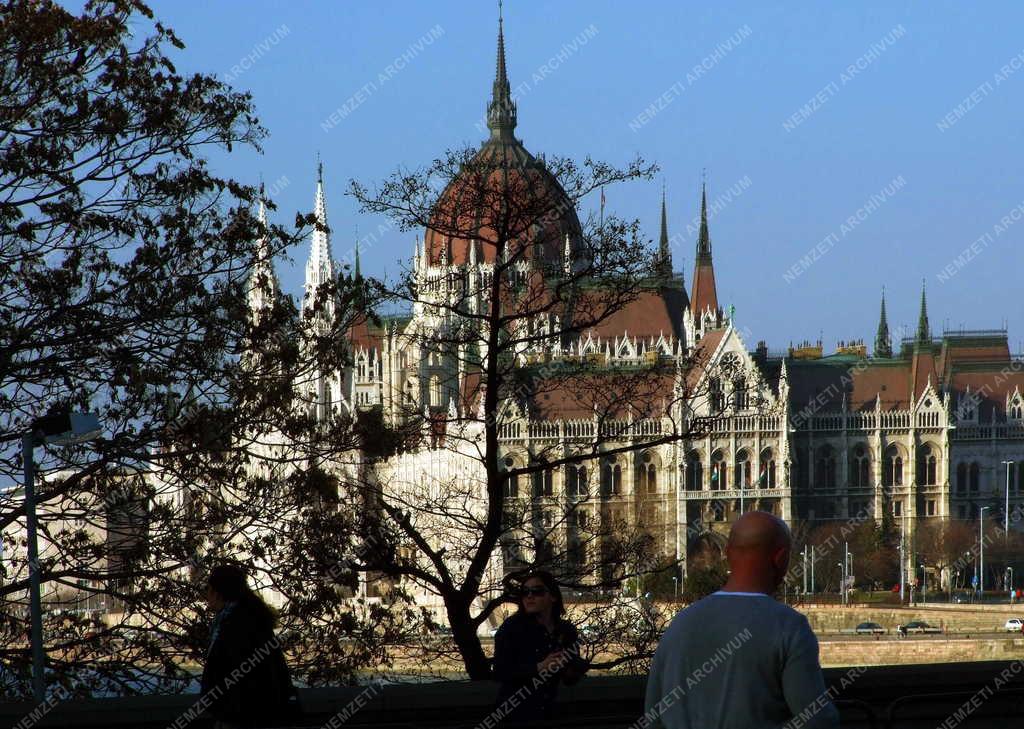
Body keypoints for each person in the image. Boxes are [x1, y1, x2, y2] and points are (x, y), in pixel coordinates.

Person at [644, 512, 839, 729]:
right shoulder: (789, 627)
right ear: (781, 559)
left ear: (727, 554)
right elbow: (818, 720)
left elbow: (653, 716)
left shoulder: (679, 624)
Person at [200, 564, 297, 729]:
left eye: (207, 588)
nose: (206, 594)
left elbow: (233, 671)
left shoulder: (235, 624)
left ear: (218, 593)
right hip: (248, 714)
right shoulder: (249, 618)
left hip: (240, 716)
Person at [491, 570, 588, 723]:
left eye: (537, 591)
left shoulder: (566, 630)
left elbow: (570, 679)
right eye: (525, 592)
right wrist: (539, 667)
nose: (529, 596)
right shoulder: (511, 628)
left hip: (549, 715)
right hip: (514, 717)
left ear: (553, 596)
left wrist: (568, 668)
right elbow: (500, 671)